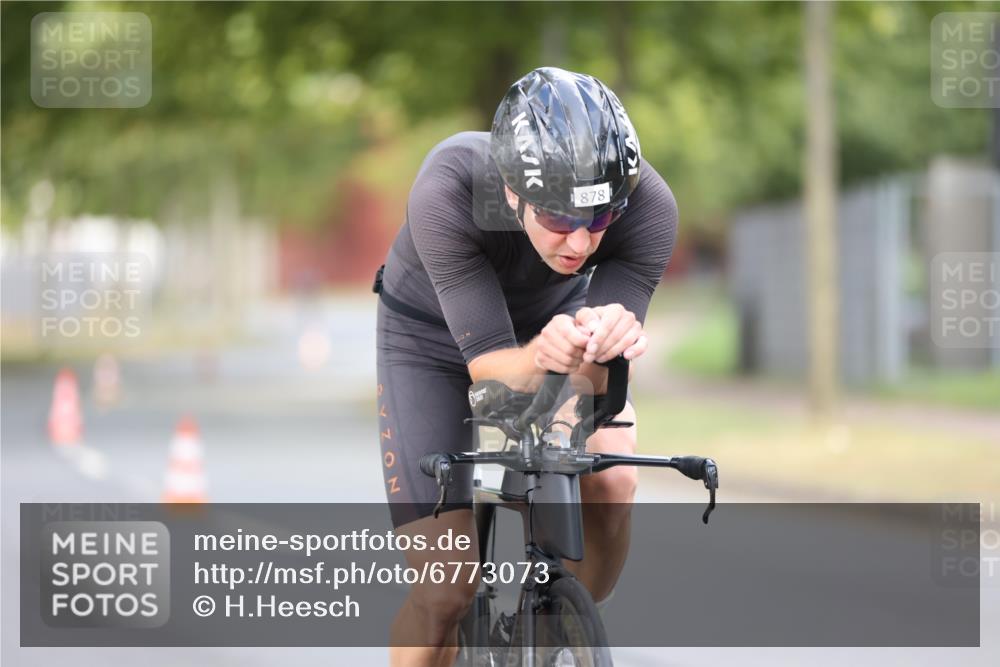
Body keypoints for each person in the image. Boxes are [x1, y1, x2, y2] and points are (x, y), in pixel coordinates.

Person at [374, 66, 677, 666]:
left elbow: (598, 386)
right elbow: (490, 371)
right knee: (445, 592)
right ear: (513, 193)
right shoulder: (450, 187)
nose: (581, 244)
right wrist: (542, 355)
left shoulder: (646, 205)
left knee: (612, 477)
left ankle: (560, 625)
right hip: (430, 340)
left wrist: (603, 346)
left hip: (553, 320)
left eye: (599, 220)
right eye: (559, 219)